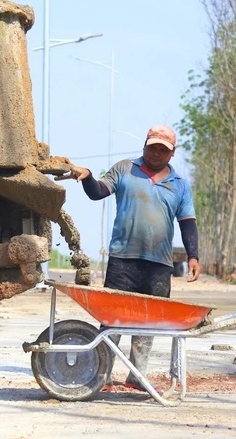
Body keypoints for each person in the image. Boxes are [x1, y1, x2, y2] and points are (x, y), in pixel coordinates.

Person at [60, 124, 200, 393]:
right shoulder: (124, 169)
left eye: (163, 150)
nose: (156, 153)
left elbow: (187, 223)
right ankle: (101, 374)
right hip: (123, 259)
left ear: (172, 153)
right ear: (145, 146)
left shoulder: (180, 185)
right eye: (152, 147)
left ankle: (136, 376)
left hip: (159, 264)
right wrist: (87, 176)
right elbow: (98, 192)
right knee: (112, 319)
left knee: (150, 322)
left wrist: (193, 255)